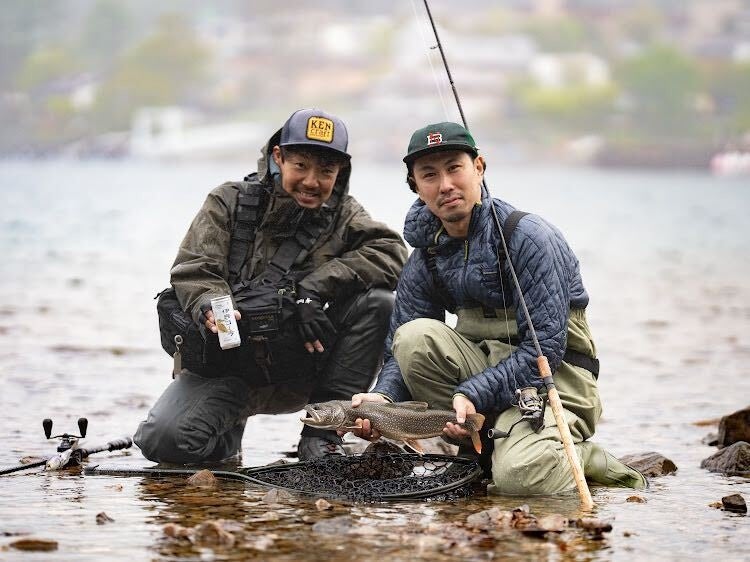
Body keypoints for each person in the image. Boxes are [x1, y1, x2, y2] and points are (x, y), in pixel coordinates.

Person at [348, 122, 647, 495]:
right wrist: (383, 399)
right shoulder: (425, 258)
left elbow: (545, 350)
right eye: (429, 175)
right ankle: (485, 445)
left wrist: (473, 392)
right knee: (412, 337)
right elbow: (400, 351)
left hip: (556, 380)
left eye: (455, 168)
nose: (445, 185)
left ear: (480, 168)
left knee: (520, 480)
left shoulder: (530, 238)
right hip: (482, 384)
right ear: (415, 186)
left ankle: (582, 456)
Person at [135, 108, 407, 463]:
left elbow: (394, 254)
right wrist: (213, 306)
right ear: (279, 157)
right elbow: (194, 269)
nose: (312, 181)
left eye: (326, 171)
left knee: (380, 302)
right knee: (164, 441)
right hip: (229, 366)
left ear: (340, 171)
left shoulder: (345, 215)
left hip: (304, 366)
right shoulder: (228, 201)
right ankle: (224, 439)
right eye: (301, 167)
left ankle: (321, 435)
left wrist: (312, 290)